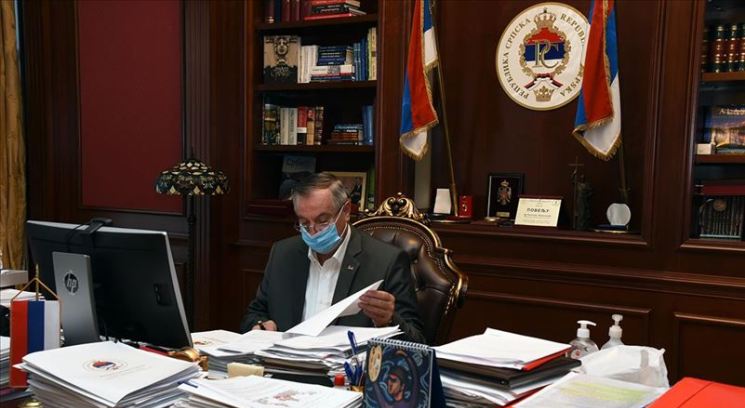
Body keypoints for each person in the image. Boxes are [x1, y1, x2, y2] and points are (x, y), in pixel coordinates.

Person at [239, 172, 425, 343]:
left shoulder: (387, 261)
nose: (313, 232)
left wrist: (388, 320)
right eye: (304, 223)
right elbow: (255, 313)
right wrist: (259, 325)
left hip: (348, 367)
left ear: (346, 211)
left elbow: (417, 341)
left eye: (322, 221)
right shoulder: (283, 253)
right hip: (286, 363)